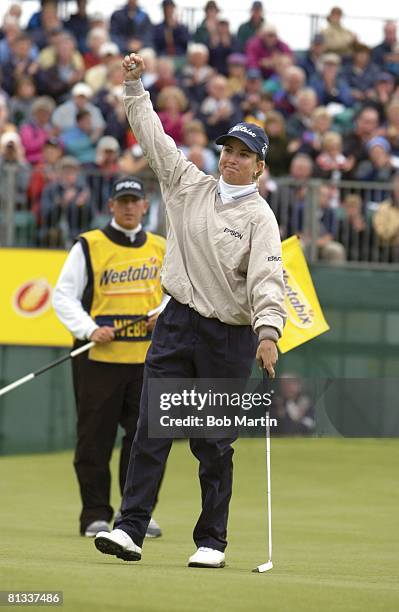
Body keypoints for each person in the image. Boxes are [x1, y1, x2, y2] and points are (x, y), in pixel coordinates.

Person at [94, 52, 286, 568]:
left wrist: (269, 332)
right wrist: (135, 86)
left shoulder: (260, 218)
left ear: (259, 165)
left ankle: (212, 542)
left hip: (229, 338)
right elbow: (153, 136)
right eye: (228, 149)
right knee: (150, 428)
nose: (231, 158)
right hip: (177, 322)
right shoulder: (187, 183)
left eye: (244, 154)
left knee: (213, 442)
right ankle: (129, 528)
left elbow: (269, 278)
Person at [52, 175, 166, 537]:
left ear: (145, 206)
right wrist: (89, 329)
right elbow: (64, 296)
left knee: (145, 443)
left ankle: (135, 517)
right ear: (111, 206)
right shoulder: (89, 244)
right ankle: (94, 515)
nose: (130, 207)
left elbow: (176, 292)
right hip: (98, 360)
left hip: (148, 361)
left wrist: (163, 312)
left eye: (136, 201)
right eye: (123, 201)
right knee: (94, 441)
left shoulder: (162, 247)